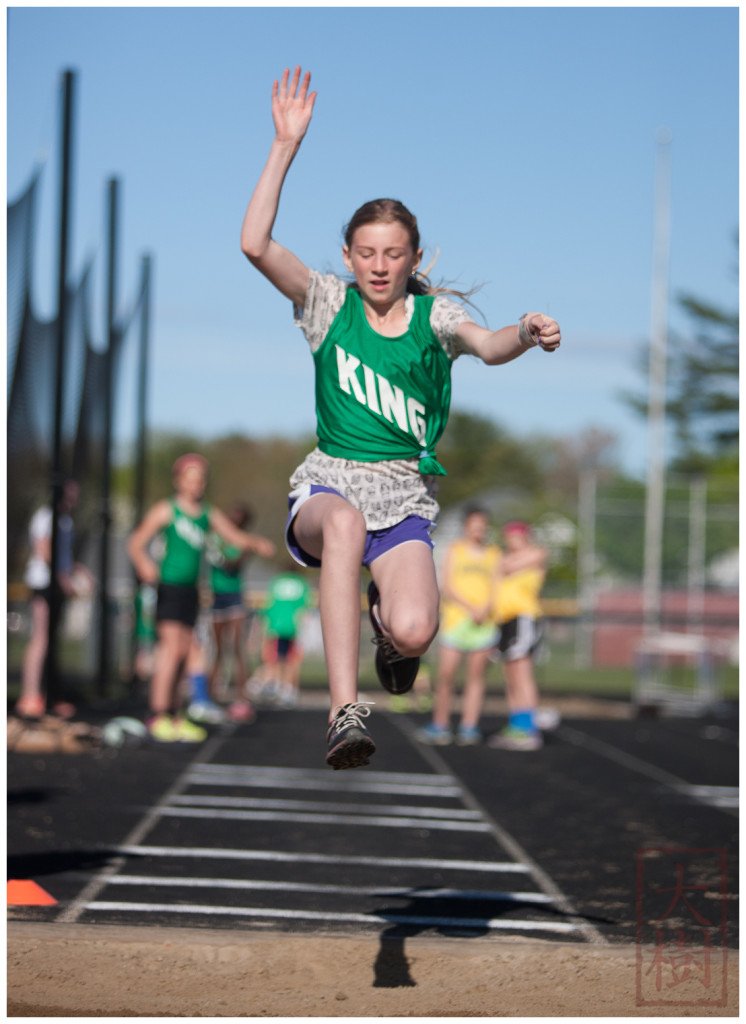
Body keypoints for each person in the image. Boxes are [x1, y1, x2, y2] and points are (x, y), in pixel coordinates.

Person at [241, 66, 561, 770]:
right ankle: (344, 709)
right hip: (329, 486)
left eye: (393, 254)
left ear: (413, 257)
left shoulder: (435, 317)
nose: (379, 266)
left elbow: (488, 345)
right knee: (346, 525)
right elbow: (256, 246)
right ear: (350, 256)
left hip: (403, 495)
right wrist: (283, 146)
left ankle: (390, 638)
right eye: (366, 253)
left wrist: (525, 331)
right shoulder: (328, 304)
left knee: (418, 630)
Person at [127, 453, 275, 742]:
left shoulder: (207, 513)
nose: (196, 484)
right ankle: (158, 714)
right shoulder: (167, 510)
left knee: (187, 652)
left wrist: (257, 544)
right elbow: (135, 543)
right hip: (169, 588)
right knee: (171, 649)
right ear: (178, 481)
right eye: (190, 479)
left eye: (200, 479)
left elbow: (234, 537)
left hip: (192, 592)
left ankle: (175, 713)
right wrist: (145, 564)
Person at [416, 505, 500, 746]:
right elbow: (448, 586)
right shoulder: (455, 550)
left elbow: (496, 585)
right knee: (446, 675)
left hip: (484, 624)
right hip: (457, 621)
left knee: (476, 677)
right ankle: (440, 724)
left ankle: (469, 727)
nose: (479, 530)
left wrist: (485, 608)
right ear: (466, 526)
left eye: (483, 525)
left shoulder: (493, 553)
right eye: (475, 525)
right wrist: (471, 607)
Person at [16, 480, 92, 720]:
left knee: (51, 641)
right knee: (40, 638)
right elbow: (44, 550)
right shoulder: (45, 516)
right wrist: (62, 578)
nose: (74, 498)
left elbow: (63, 557)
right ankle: (29, 696)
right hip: (43, 584)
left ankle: (50, 696)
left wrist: (77, 571)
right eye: (71, 493)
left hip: (57, 584)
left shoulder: (65, 520)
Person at [488, 520, 548, 751]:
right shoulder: (504, 557)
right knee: (510, 674)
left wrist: (503, 564)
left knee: (522, 672)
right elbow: (499, 567)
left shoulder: (537, 553)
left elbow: (505, 566)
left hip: (524, 617)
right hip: (504, 620)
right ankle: (517, 724)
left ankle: (529, 729)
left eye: (515, 536)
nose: (511, 541)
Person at [205, 501, 256, 717]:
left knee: (236, 648)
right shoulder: (215, 536)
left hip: (234, 597)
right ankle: (209, 698)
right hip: (217, 597)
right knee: (217, 650)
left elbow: (233, 565)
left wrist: (220, 553)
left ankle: (242, 698)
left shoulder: (244, 542)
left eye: (238, 516)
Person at [259, 562, 314, 707]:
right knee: (292, 660)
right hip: (293, 626)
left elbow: (269, 605)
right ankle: (288, 689)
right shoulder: (302, 583)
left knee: (275, 658)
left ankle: (276, 685)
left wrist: (265, 627)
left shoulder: (276, 582)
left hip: (276, 625)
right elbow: (304, 608)